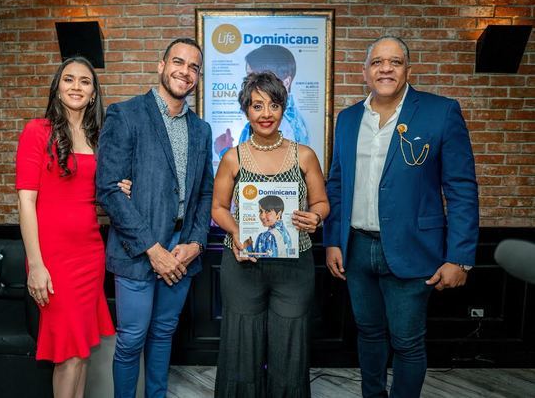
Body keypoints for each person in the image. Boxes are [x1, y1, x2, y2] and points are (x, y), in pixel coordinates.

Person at [324, 36, 479, 397]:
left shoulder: (440, 112)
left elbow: (461, 189)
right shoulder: (347, 120)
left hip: (413, 249)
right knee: (369, 334)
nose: (386, 69)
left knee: (408, 343)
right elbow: (337, 185)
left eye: (394, 62)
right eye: (377, 62)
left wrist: (460, 257)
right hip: (357, 249)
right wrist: (332, 241)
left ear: (408, 69)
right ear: (365, 72)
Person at [95, 38, 213, 398]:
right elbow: (109, 190)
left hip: (182, 249)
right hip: (136, 250)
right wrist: (152, 249)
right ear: (161, 66)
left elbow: (204, 192)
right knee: (131, 340)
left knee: (164, 333)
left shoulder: (201, 129)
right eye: (179, 62)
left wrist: (194, 242)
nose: (186, 71)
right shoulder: (125, 114)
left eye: (194, 67)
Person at [212, 71, 329, 397]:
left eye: (274, 105)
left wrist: (315, 216)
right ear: (246, 110)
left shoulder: (303, 155)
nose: (266, 114)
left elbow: (321, 202)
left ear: (283, 108)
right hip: (243, 263)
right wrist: (237, 231)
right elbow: (218, 208)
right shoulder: (232, 157)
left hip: (294, 267)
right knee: (242, 347)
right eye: (257, 106)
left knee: (290, 346)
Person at [16, 56, 120, 397]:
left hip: (90, 254)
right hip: (54, 259)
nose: (76, 86)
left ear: (93, 93)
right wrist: (36, 265)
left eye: (85, 82)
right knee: (67, 354)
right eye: (69, 80)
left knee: (83, 350)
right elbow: (26, 202)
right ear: (58, 88)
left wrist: (119, 189)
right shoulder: (37, 131)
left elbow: (95, 198)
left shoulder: (97, 138)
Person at [214, 44, 309, 158]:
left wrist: (224, 152)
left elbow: (262, 169)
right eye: (250, 77)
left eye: (264, 79)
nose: (253, 84)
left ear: (286, 82)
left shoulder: (283, 124)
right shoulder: (289, 119)